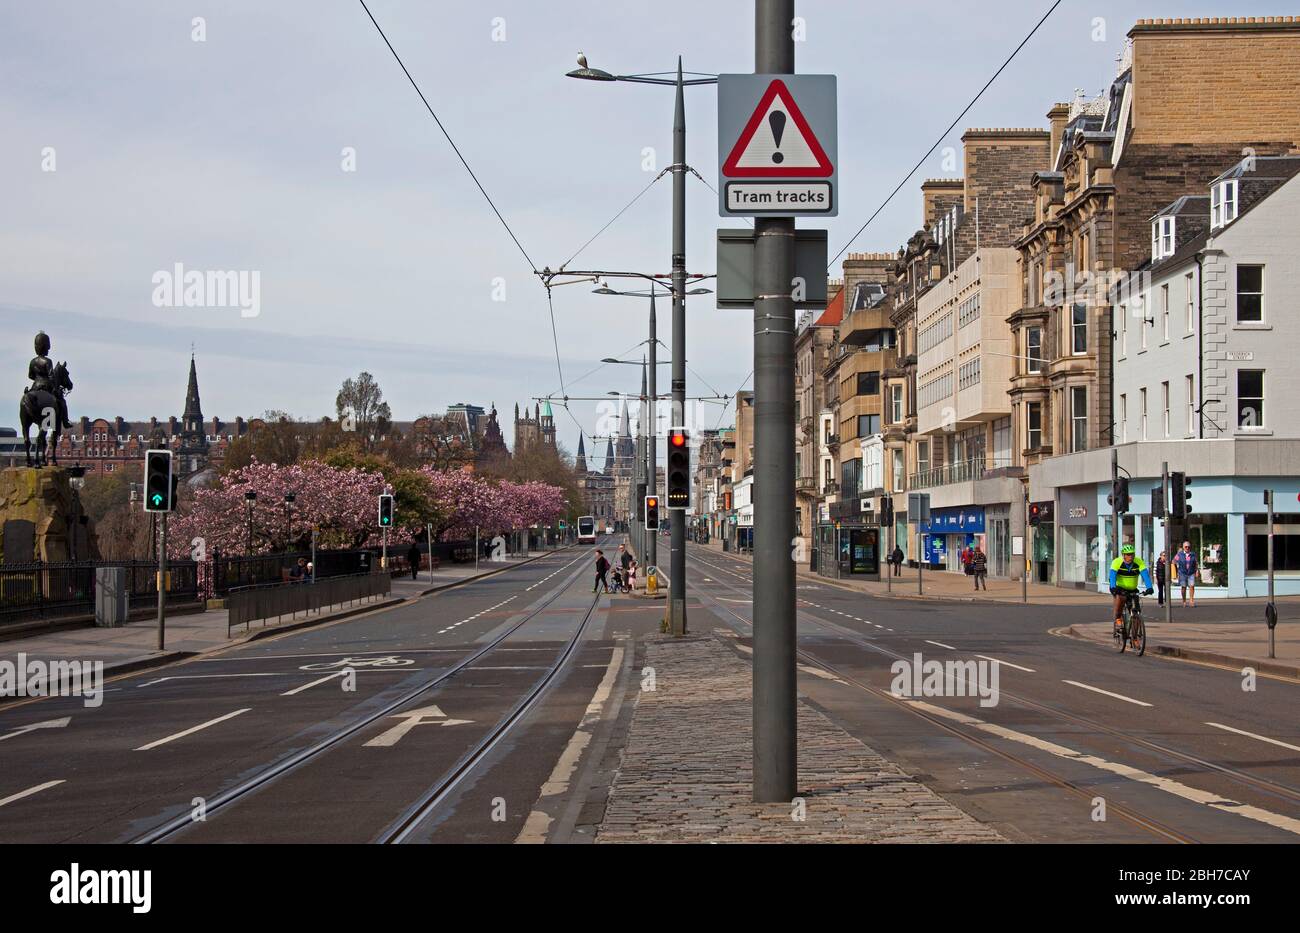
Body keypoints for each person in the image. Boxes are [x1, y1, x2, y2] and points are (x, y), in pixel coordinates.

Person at [1109, 544, 1154, 632]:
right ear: (1123, 555)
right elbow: (1112, 576)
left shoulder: (1139, 562)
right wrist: (1113, 587)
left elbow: (1145, 575)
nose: (1131, 556)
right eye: (1128, 554)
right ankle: (1118, 618)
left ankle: (1135, 638)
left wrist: (1149, 587)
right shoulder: (1116, 562)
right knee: (1120, 599)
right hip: (1120, 588)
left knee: (1136, 613)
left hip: (1133, 589)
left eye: (1132, 554)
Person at [1173, 541, 1198, 608]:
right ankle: (1184, 601)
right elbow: (1173, 562)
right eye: (1186, 547)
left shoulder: (1193, 554)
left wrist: (1197, 571)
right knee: (1183, 587)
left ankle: (1191, 601)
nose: (1187, 548)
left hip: (1191, 572)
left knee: (1192, 586)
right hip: (1182, 573)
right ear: (1183, 547)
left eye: (1188, 547)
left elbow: (1196, 563)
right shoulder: (1180, 554)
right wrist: (1175, 571)